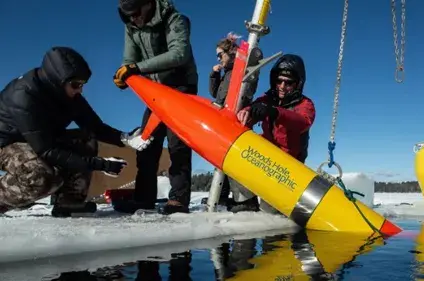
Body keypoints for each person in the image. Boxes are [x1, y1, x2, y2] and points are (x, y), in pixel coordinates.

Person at [0, 46, 151, 217]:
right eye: (75, 85)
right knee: (42, 176)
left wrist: (125, 138)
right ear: (56, 80)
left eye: (82, 84)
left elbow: (95, 127)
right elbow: (47, 150)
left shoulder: (69, 96)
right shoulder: (24, 96)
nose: (80, 90)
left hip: (39, 139)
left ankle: (69, 201)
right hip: (6, 142)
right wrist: (100, 164)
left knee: (85, 138)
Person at [113, 0, 198, 215]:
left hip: (180, 88)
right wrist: (126, 77)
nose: (134, 19)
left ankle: (178, 200)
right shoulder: (131, 26)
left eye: (136, 13)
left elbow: (180, 54)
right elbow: (129, 60)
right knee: (147, 144)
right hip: (156, 92)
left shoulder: (175, 19)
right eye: (128, 15)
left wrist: (136, 68)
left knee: (177, 144)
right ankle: (143, 200)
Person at [233, 54, 316, 213]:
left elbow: (302, 121)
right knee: (237, 155)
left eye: (288, 82)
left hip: (286, 168)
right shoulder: (267, 98)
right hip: (265, 158)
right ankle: (246, 202)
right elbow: (252, 109)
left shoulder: (306, 104)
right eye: (279, 81)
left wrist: (275, 112)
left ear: (298, 83)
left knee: (270, 213)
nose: (282, 86)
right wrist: (247, 111)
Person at [208, 32, 258, 207]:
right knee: (222, 159)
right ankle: (221, 196)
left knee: (235, 159)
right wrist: (214, 76)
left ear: (230, 53)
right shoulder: (226, 74)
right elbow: (216, 94)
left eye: (220, 54)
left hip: (237, 120)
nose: (218, 59)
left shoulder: (240, 69)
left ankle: (246, 200)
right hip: (223, 119)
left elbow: (246, 89)